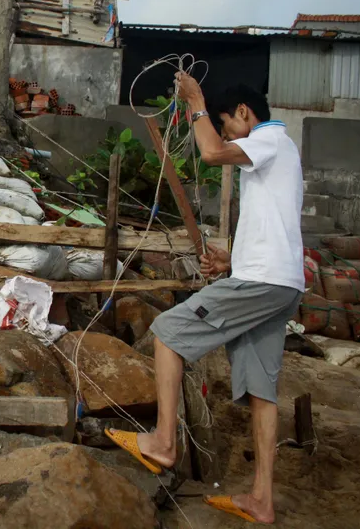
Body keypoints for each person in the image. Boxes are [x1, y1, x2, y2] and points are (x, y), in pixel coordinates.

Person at [106, 74, 304, 525]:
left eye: (227, 122)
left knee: (169, 332)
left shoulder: (270, 138)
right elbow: (273, 229)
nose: (227, 131)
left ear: (243, 114)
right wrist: (232, 260)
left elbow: (212, 153)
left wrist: (195, 101)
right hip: (278, 282)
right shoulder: (278, 155)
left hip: (264, 283)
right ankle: (261, 499)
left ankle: (162, 442)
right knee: (260, 390)